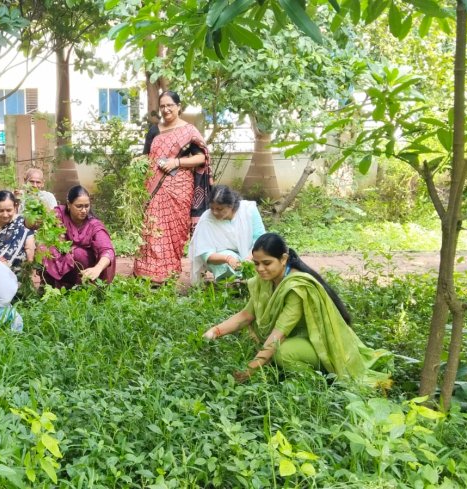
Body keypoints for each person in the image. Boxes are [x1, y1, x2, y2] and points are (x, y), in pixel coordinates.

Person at [203, 233, 391, 385]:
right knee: (263, 343)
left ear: (283, 259)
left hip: (319, 343)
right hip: (297, 339)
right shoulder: (266, 281)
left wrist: (251, 369)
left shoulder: (297, 286)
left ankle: (320, 381)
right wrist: (215, 331)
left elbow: (280, 333)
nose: (260, 269)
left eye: (267, 263)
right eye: (256, 263)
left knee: (281, 353)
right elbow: (246, 315)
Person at [133, 90, 210, 283]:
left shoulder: (188, 131)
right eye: (162, 106)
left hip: (180, 188)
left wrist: (177, 163)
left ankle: (167, 274)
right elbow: (146, 157)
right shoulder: (154, 131)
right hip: (153, 186)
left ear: (179, 107)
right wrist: (137, 164)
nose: (166, 110)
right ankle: (148, 275)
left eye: (170, 105)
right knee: (151, 229)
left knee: (173, 232)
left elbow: (201, 157)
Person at [188, 185, 267, 284]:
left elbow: (260, 239)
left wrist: (248, 258)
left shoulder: (248, 210)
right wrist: (227, 259)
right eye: (212, 208)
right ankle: (229, 283)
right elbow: (206, 254)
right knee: (224, 265)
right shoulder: (207, 218)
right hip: (222, 258)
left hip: (251, 254)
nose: (215, 212)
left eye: (220, 209)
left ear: (231, 206)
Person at [42, 185, 117, 289]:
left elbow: (108, 250)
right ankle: (50, 286)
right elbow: (44, 224)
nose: (84, 210)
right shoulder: (59, 214)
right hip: (63, 260)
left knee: (77, 253)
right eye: (79, 206)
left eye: (87, 206)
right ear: (69, 204)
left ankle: (82, 289)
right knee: (44, 248)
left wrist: (97, 268)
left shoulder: (94, 225)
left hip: (86, 268)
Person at [0, 190, 35, 271]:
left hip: (20, 271)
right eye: (1, 211)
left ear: (15, 208)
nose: (5, 215)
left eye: (9, 210)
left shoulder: (21, 222)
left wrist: (30, 269)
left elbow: (30, 247)